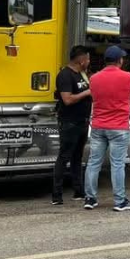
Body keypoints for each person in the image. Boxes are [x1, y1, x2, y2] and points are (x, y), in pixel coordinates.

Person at [83, 45, 130, 211]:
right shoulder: (128, 77)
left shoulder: (94, 78)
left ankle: (90, 199)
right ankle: (120, 201)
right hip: (119, 127)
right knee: (117, 164)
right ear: (119, 60)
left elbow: (93, 95)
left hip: (98, 126)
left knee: (93, 163)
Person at [52, 45, 92, 205]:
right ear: (81, 60)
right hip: (69, 122)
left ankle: (78, 191)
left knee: (77, 158)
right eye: (88, 59)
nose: (89, 61)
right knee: (64, 157)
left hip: (83, 121)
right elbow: (67, 99)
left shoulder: (82, 74)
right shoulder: (65, 75)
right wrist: (87, 93)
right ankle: (57, 195)